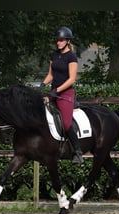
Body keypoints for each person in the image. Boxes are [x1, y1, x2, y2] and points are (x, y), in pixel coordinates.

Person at [40, 26, 84, 165]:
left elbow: (72, 79)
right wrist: (42, 84)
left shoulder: (71, 56)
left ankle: (77, 152)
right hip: (53, 91)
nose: (58, 43)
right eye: (56, 40)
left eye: (60, 40)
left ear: (68, 41)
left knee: (66, 123)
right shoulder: (53, 55)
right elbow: (51, 75)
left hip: (65, 93)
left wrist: (57, 90)